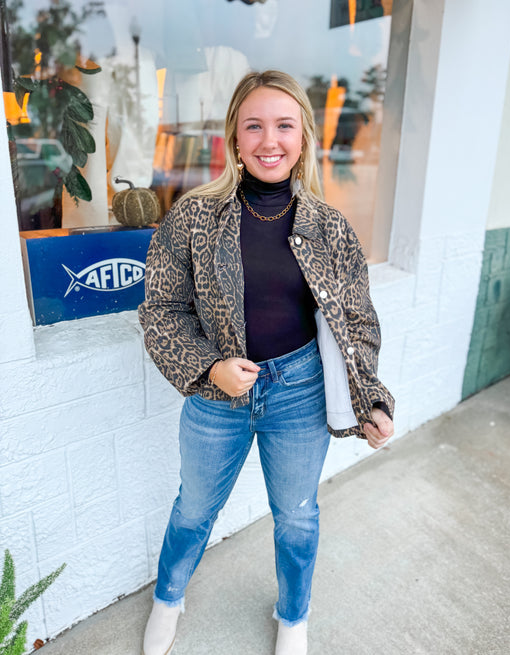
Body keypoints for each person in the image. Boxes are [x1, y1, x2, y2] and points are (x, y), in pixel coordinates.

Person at [138, 70, 394, 655]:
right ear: (234, 137)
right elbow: (160, 311)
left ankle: (293, 617)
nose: (269, 140)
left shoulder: (329, 228)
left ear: (303, 136)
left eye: (284, 125)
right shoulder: (192, 218)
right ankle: (168, 598)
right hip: (215, 398)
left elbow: (358, 324)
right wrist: (208, 369)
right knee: (195, 507)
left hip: (299, 391)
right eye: (254, 125)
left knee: (297, 516)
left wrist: (371, 400)